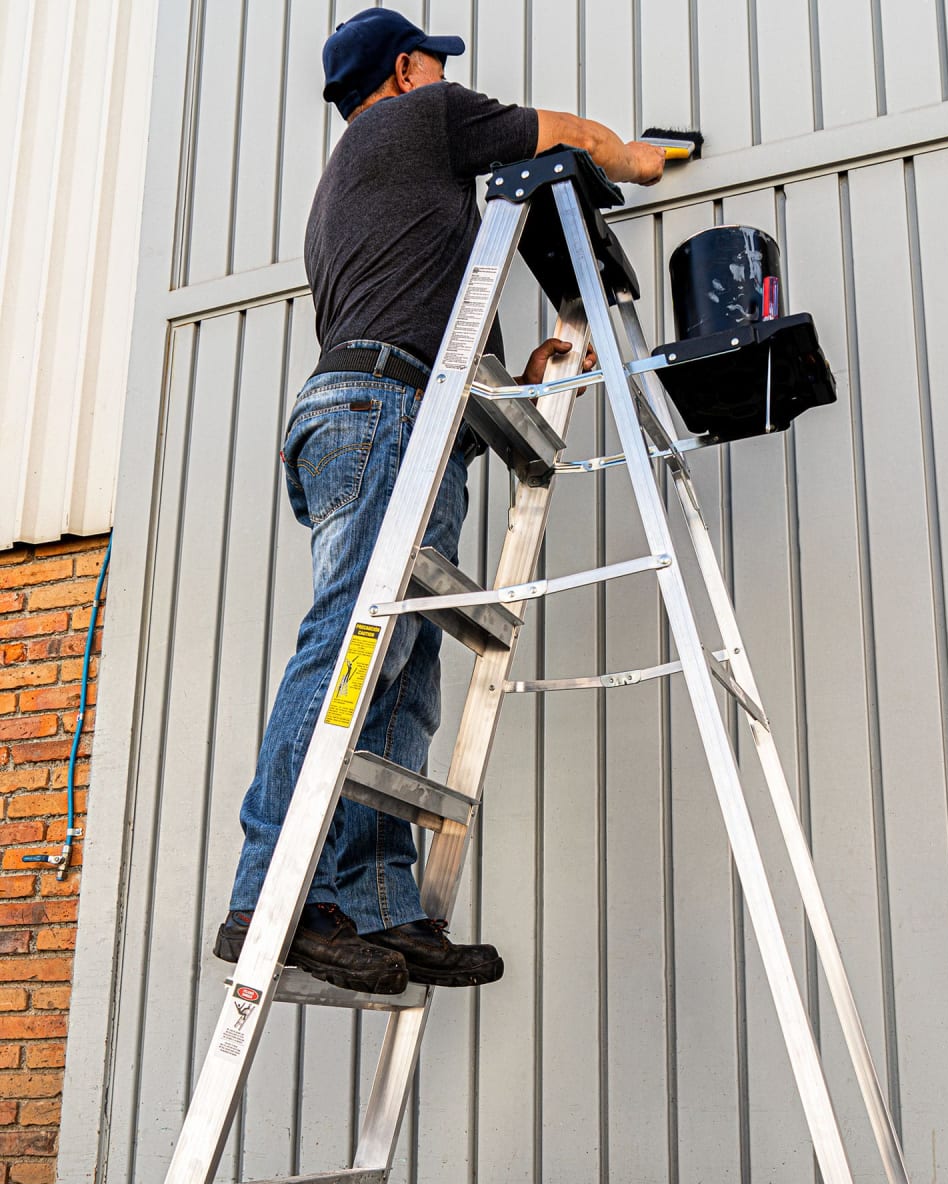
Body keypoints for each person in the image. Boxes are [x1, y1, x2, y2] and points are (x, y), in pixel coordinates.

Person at [214, 8, 665, 994]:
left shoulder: (371, 189)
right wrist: (633, 159)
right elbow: (563, 133)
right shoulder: (413, 122)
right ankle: (275, 898)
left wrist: (526, 372)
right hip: (382, 412)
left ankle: (380, 907)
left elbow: (436, 321)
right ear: (407, 70)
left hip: (398, 417)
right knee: (349, 646)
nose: (448, 76)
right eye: (436, 62)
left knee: (402, 659)